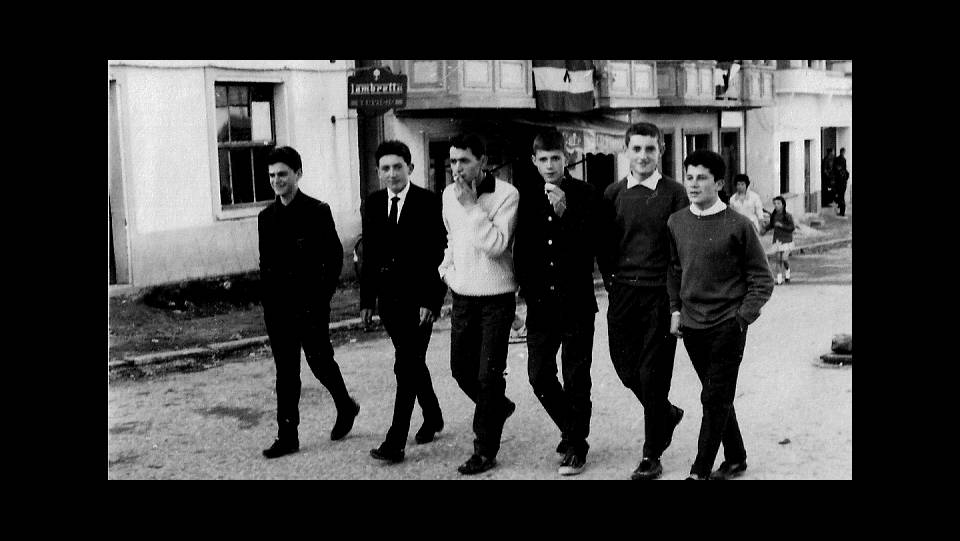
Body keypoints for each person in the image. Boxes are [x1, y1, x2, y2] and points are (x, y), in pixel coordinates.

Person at [666, 149, 774, 480]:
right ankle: (736, 457)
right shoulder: (676, 222)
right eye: (689, 177)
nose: (693, 184)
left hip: (727, 326)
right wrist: (675, 310)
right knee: (718, 395)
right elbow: (674, 270)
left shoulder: (739, 225)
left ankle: (699, 472)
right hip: (692, 326)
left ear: (719, 184)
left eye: (702, 178)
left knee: (713, 397)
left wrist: (741, 319)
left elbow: (763, 280)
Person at [597, 122, 689, 480]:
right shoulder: (612, 193)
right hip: (623, 293)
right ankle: (666, 413)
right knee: (624, 367)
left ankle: (652, 454)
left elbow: (680, 251)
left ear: (661, 151)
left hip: (660, 296)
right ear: (626, 151)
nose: (643, 156)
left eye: (650, 149)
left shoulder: (675, 193)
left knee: (653, 376)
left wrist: (676, 301)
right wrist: (613, 283)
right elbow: (605, 246)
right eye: (636, 148)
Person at [258, 146, 360, 459]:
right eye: (272, 175)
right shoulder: (266, 218)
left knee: (320, 363)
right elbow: (266, 266)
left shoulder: (317, 211)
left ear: (298, 174)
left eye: (283, 174)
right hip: (279, 310)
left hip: (311, 306)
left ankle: (345, 405)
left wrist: (320, 298)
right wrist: (269, 304)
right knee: (286, 373)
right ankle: (287, 435)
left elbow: (333, 258)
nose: (277, 180)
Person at [514, 130, 600, 476]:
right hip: (541, 304)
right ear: (534, 161)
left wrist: (566, 213)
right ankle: (572, 428)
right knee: (539, 376)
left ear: (567, 158)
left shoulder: (586, 193)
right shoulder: (527, 196)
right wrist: (525, 295)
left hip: (576, 302)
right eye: (543, 159)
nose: (550, 165)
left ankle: (577, 446)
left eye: (556, 158)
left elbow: (593, 244)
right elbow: (523, 250)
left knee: (576, 376)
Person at [360, 141, 448, 464]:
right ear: (378, 172)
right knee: (411, 362)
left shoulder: (429, 202)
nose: (392, 173)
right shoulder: (372, 204)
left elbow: (439, 254)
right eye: (385, 168)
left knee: (406, 365)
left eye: (398, 166)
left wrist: (432, 301)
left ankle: (395, 440)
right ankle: (433, 415)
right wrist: (367, 301)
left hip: (420, 302)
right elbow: (370, 255)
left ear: (410, 168)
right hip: (389, 303)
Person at [438, 133, 520, 475]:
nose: (457, 168)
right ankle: (497, 408)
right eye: (453, 161)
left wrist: (472, 206)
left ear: (483, 162)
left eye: (465, 161)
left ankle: (485, 450)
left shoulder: (507, 195)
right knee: (461, 370)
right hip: (463, 295)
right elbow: (453, 238)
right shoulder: (448, 194)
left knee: (488, 376)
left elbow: (497, 245)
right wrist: (446, 270)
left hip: (496, 297)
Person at [761, 196, 796, 285]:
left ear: (783, 205)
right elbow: (771, 225)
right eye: (775, 204)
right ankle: (779, 279)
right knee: (778, 259)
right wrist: (764, 230)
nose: (776, 205)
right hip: (777, 240)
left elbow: (792, 227)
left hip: (787, 240)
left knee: (784, 258)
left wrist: (782, 225)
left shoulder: (787, 216)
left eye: (778, 203)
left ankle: (787, 272)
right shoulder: (774, 216)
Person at [833, 148, 849, 217]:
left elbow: (834, 169)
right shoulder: (843, 160)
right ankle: (842, 211)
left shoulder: (837, 159)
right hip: (842, 184)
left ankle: (842, 212)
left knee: (840, 197)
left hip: (839, 183)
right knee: (841, 197)